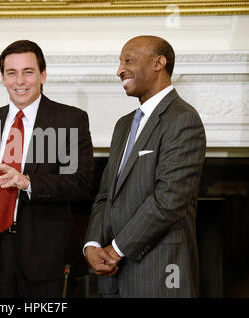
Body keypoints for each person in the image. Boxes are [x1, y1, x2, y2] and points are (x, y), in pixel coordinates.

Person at [0, 40, 95, 298]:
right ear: (3, 78)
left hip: (46, 258)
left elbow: (81, 183)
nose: (20, 81)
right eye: (11, 73)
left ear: (43, 75)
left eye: (28, 72)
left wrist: (28, 182)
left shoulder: (70, 120)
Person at [84, 35, 206, 297]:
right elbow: (106, 195)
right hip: (114, 280)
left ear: (158, 63)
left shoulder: (183, 119)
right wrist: (93, 244)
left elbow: (168, 200)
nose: (119, 70)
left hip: (160, 275)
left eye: (128, 60)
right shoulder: (123, 125)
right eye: (119, 62)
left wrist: (116, 250)